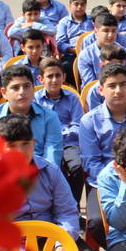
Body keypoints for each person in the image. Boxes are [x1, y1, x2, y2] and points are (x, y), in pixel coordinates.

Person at [0, 115, 110, 251]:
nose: (20, 152)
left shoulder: (50, 171)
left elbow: (67, 213)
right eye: (12, 146)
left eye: (25, 144)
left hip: (53, 237)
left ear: (33, 143)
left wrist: (60, 247)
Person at [0, 65, 62, 166]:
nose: (22, 92)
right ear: (4, 93)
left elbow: (52, 157)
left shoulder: (49, 117)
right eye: (15, 88)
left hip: (43, 174)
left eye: (27, 86)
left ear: (33, 89)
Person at [34, 57, 85, 203]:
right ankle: (58, 204)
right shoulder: (36, 100)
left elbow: (77, 125)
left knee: (77, 167)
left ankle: (73, 204)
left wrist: (58, 132)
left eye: (58, 75)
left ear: (64, 77)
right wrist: (61, 130)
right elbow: (38, 128)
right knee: (54, 168)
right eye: (49, 76)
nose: (54, 80)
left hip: (69, 143)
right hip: (46, 144)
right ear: (41, 79)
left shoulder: (73, 98)